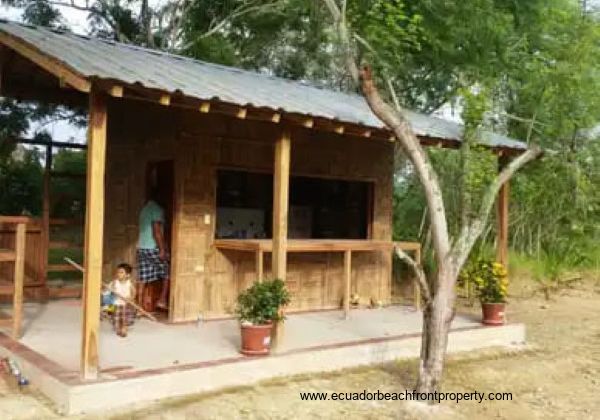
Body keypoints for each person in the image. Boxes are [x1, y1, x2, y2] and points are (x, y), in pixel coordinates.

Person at [137, 188, 170, 311]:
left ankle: (139, 305)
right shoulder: (157, 209)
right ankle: (162, 300)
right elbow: (157, 232)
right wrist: (162, 250)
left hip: (142, 247)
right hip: (152, 247)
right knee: (167, 272)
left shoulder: (145, 209)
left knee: (144, 277)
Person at [110, 263, 137, 337]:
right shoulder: (115, 282)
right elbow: (109, 291)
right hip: (116, 304)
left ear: (127, 275)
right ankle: (118, 328)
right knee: (116, 318)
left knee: (125, 317)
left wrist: (131, 299)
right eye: (118, 272)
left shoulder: (129, 283)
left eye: (121, 272)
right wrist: (112, 291)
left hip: (126, 304)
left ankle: (124, 329)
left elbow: (134, 292)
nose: (119, 274)